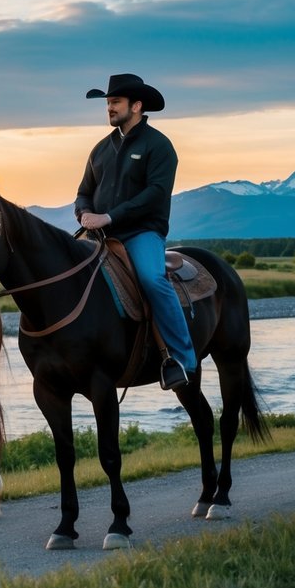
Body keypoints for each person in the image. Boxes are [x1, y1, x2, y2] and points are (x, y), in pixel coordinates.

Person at [74, 73, 197, 390]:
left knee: (152, 280)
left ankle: (181, 358)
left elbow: (156, 193)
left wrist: (110, 217)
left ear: (137, 105)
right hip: (99, 238)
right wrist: (85, 213)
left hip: (142, 233)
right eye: (108, 103)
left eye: (115, 102)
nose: (110, 108)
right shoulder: (100, 149)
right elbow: (84, 192)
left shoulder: (159, 146)